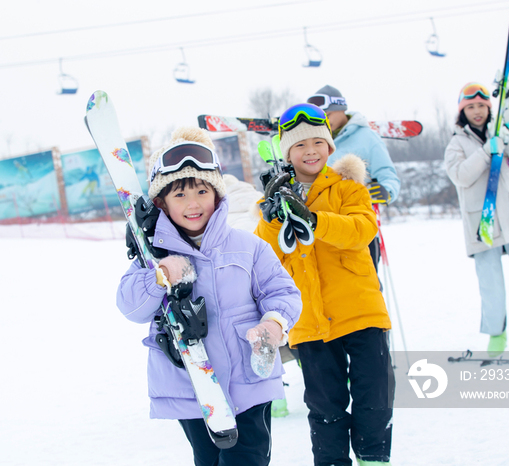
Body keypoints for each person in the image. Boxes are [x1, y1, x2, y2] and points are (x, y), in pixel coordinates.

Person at [116, 126, 302, 466]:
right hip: (190, 385)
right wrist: (158, 278)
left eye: (202, 191)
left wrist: (274, 325)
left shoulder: (248, 247)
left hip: (248, 380)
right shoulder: (153, 257)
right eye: (180, 196)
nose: (193, 204)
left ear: (217, 194)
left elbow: (283, 292)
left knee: (248, 459)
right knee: (208, 460)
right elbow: (130, 307)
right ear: (161, 202)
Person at [255, 104, 394, 466]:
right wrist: (272, 219)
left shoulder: (349, 187)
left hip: (361, 312)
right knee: (325, 406)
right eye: (300, 145)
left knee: (375, 396)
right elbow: (264, 256)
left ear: (330, 147)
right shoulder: (273, 200)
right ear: (287, 152)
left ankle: (373, 458)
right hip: (310, 323)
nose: (311, 150)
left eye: (318, 142)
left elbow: (361, 230)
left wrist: (314, 220)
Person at [444, 82, 509, 356]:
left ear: (489, 108)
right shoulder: (457, 143)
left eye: (481, 106)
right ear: (461, 112)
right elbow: (461, 176)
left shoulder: (504, 133)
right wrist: (485, 151)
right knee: (490, 284)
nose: (477, 111)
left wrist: (508, 137)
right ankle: (496, 336)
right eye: (470, 107)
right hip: (483, 222)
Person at [307, 84, 400, 271]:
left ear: (341, 109)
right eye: (320, 118)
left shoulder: (367, 137)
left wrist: (386, 190)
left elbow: (388, 174)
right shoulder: (316, 142)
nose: (324, 121)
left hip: (358, 223)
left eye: (328, 115)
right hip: (324, 226)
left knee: (362, 279)